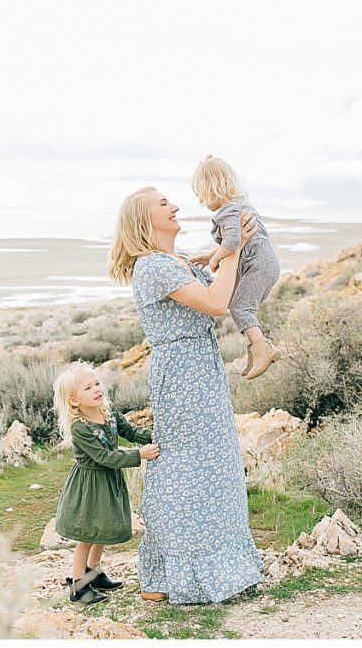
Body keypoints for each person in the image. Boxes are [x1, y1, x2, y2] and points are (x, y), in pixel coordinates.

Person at [108, 186, 264, 604]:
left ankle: (200, 569)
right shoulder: (154, 266)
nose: (175, 206)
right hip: (182, 373)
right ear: (144, 221)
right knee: (183, 465)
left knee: (214, 463)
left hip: (200, 366)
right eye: (163, 204)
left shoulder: (175, 261)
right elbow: (216, 303)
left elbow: (225, 292)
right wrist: (231, 250)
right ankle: (173, 571)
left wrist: (237, 246)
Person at [52, 361, 159, 605]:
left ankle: (95, 573)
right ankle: (78, 587)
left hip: (108, 481)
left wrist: (156, 434)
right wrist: (139, 455)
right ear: (74, 401)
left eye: (97, 383)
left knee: (103, 527)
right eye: (87, 388)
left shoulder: (107, 412)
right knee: (88, 534)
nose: (96, 389)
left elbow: (130, 431)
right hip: (90, 485)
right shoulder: (80, 427)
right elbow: (104, 457)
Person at [190, 155, 282, 379]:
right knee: (234, 302)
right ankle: (256, 348)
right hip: (259, 264)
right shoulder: (239, 205)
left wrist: (214, 261)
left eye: (201, 195)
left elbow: (232, 242)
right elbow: (238, 240)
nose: (202, 203)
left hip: (258, 266)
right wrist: (210, 255)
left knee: (241, 308)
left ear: (212, 189)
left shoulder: (228, 211)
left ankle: (263, 348)